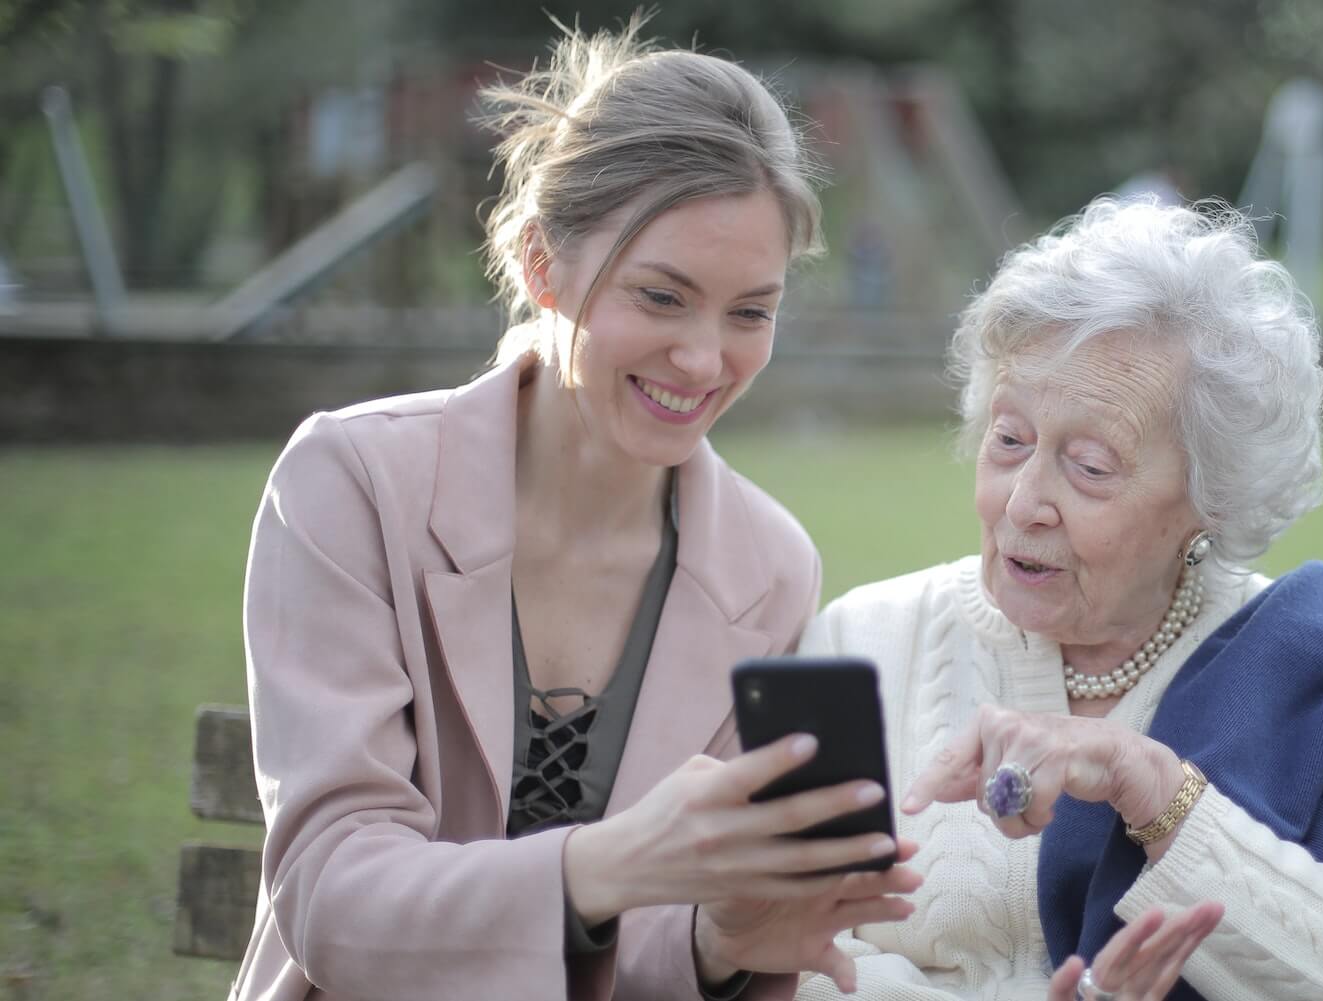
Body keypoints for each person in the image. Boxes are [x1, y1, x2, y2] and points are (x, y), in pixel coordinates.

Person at [234, 22, 921, 1001]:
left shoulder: (768, 564)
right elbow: (333, 898)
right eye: (660, 295)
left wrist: (721, 943)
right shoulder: (350, 483)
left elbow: (642, 951)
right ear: (539, 264)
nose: (702, 358)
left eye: (749, 311)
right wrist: (602, 863)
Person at [797, 199, 1323, 1001]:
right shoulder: (865, 640)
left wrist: (1154, 789)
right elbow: (788, 950)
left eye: (1090, 465)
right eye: (1009, 438)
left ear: (1212, 497)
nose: (1024, 502)